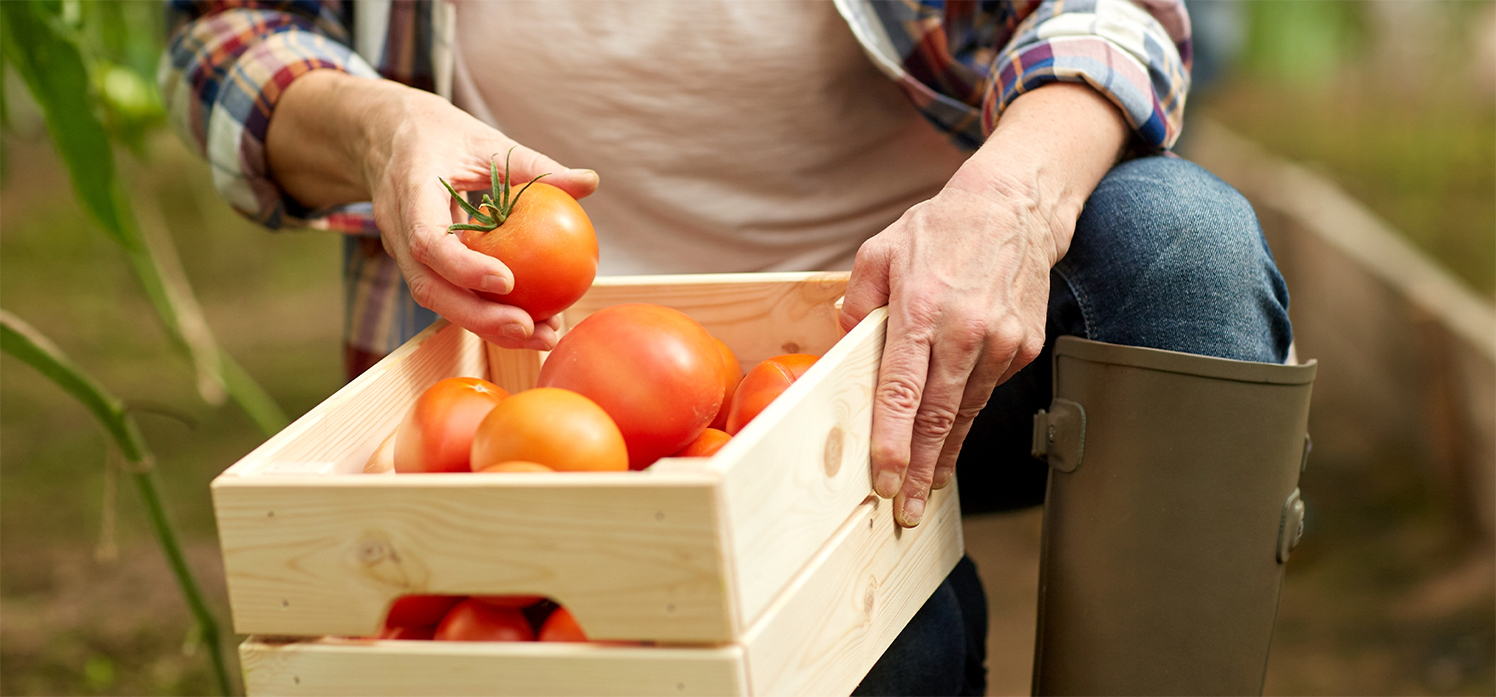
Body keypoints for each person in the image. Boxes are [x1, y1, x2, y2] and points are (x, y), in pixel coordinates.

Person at [163, 2, 1295, 694]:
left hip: (938, 329)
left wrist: (1009, 201)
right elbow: (222, 32)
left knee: (1182, 248)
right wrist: (381, 124)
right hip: (556, 376)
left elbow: (1116, 9)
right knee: (891, 645)